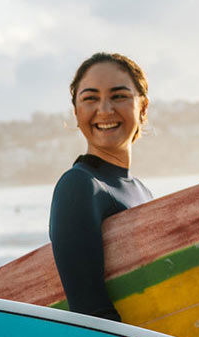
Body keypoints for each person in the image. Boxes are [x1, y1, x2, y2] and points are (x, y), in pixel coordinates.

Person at [49, 52, 155, 322]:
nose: (105, 109)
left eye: (119, 96)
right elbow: (91, 313)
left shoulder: (143, 192)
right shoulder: (80, 186)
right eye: (90, 98)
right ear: (76, 112)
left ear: (143, 107)